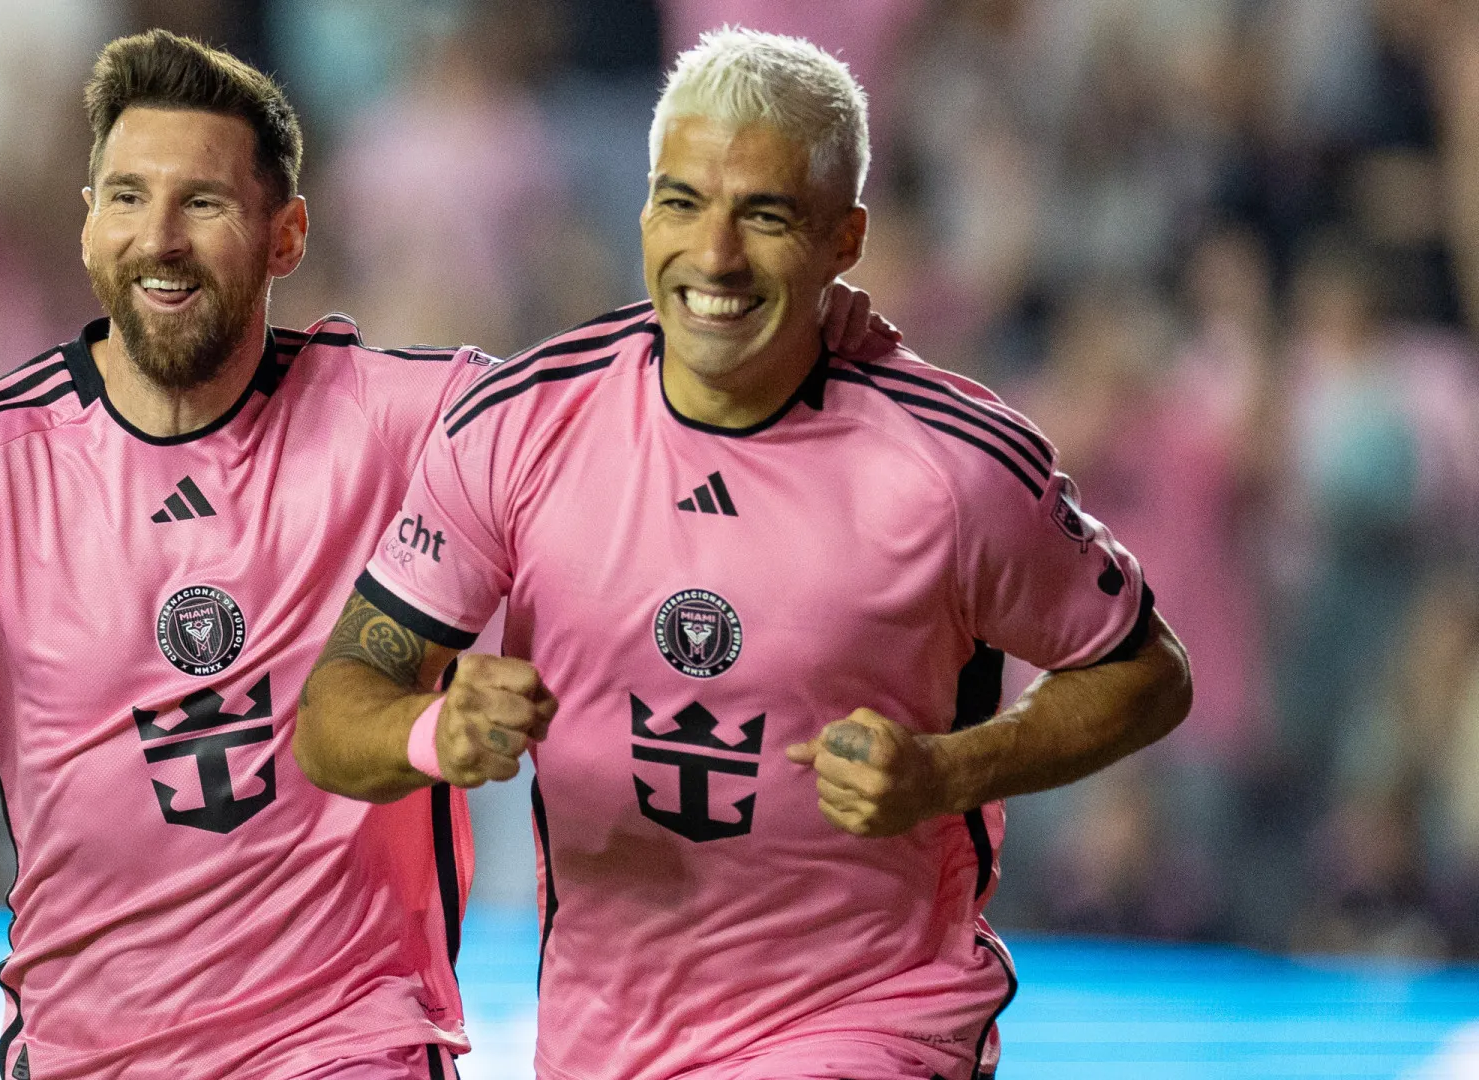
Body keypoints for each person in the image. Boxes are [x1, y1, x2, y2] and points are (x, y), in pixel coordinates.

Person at [0, 29, 893, 1080]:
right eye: (130, 198)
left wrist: (794, 333)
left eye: (202, 202)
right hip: (87, 1052)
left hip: (349, 1043)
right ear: (90, 224)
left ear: (286, 235)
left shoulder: (401, 418)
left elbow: (631, 410)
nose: (160, 237)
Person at [296, 28, 1193, 1080]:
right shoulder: (519, 426)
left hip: (875, 1024)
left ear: (845, 238)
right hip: (602, 1044)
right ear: (645, 213)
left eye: (764, 215)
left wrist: (949, 770)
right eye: (682, 202)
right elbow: (332, 716)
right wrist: (433, 729)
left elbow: (1147, 672)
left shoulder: (955, 468)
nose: (714, 255)